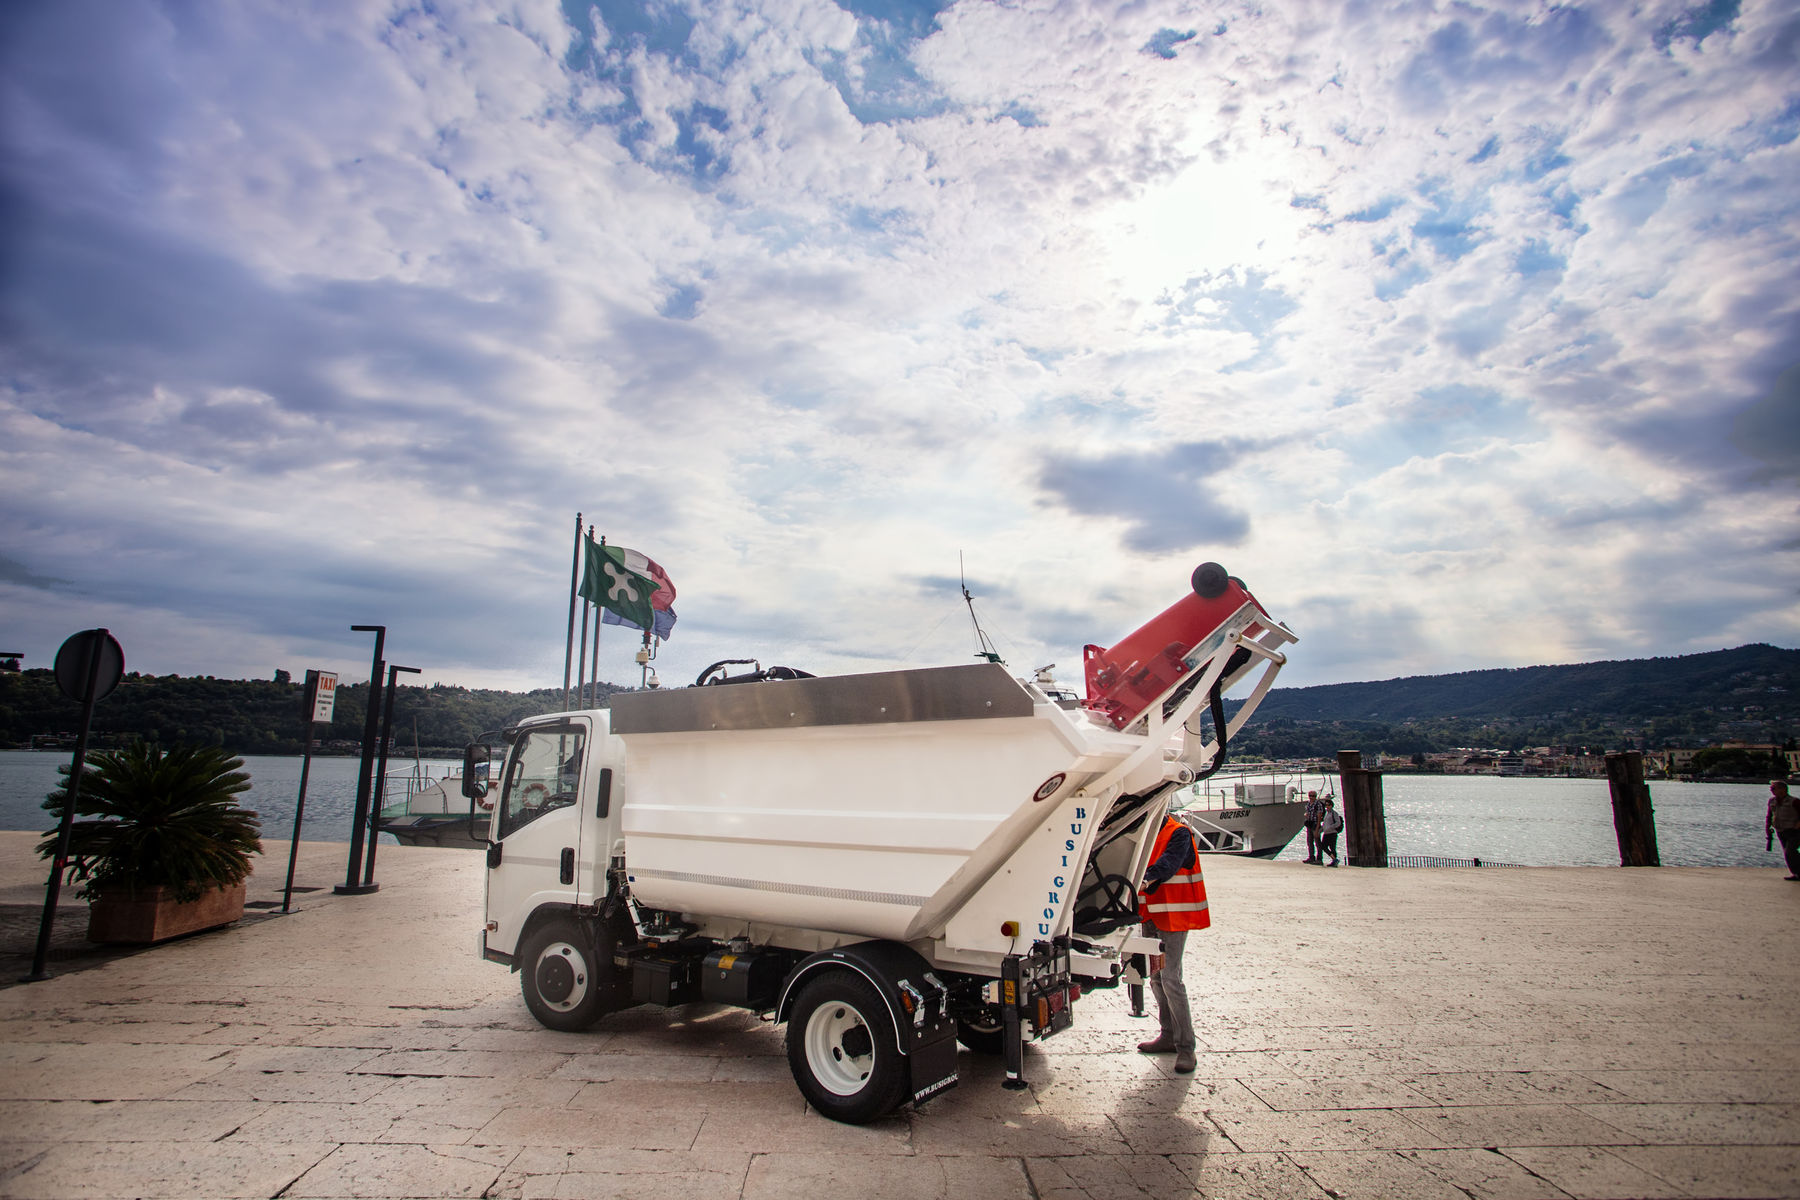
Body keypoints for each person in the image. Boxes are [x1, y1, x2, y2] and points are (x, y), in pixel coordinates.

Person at [1135, 813, 1210, 1074]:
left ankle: (1186, 1048)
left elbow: (1169, 863)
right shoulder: (1147, 833)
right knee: (1156, 977)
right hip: (1151, 915)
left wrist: (1145, 879)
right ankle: (1167, 1035)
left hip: (1175, 916)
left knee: (1171, 978)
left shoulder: (1179, 833)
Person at [1768, 780, 1800, 880]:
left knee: (1790, 852)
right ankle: (1797, 873)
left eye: (1774, 788)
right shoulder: (1772, 801)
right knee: (1788, 853)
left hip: (1794, 831)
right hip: (1781, 831)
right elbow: (1769, 815)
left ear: (1783, 789)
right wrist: (1768, 828)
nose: (1771, 790)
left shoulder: (1794, 801)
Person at [1301, 789, 1326, 863]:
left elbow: (1319, 816)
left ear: (1315, 796)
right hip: (1310, 823)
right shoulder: (1308, 804)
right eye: (1310, 796)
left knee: (1317, 842)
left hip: (1315, 824)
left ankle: (1319, 859)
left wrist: (1318, 828)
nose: (1311, 797)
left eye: (1313, 796)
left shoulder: (1318, 804)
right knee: (1309, 841)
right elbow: (1308, 812)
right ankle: (1311, 857)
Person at [1317, 797, 1344, 866]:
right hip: (1326, 833)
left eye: (1328, 805)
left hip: (1332, 833)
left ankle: (1334, 861)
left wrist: (1331, 827)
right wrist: (1320, 831)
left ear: (1331, 805)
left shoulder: (1334, 813)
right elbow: (1324, 824)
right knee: (1323, 846)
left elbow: (1338, 823)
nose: (1327, 806)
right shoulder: (1326, 814)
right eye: (1326, 805)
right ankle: (1334, 859)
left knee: (1332, 847)